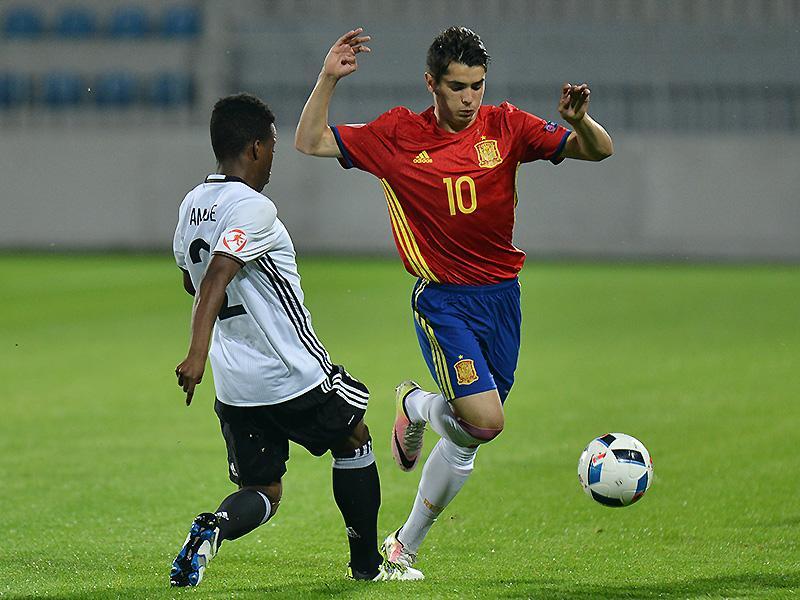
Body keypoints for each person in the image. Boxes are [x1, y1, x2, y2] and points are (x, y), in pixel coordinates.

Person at [295, 27, 613, 575]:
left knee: (469, 437)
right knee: (486, 422)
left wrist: (579, 120)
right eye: (457, 87)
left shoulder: (507, 125)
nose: (470, 98)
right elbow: (310, 140)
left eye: (477, 85)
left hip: (503, 299)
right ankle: (418, 414)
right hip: (443, 302)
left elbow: (599, 150)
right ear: (432, 84)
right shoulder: (399, 134)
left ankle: (404, 536)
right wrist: (328, 78)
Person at [169, 92, 422, 586]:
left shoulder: (191, 204)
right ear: (255, 148)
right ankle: (367, 567)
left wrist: (212, 343)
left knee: (263, 488)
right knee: (355, 439)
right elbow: (217, 274)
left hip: (236, 385)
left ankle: (214, 528)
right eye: (272, 147)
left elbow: (191, 280)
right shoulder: (254, 207)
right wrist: (195, 354)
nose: (272, 159)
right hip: (290, 371)